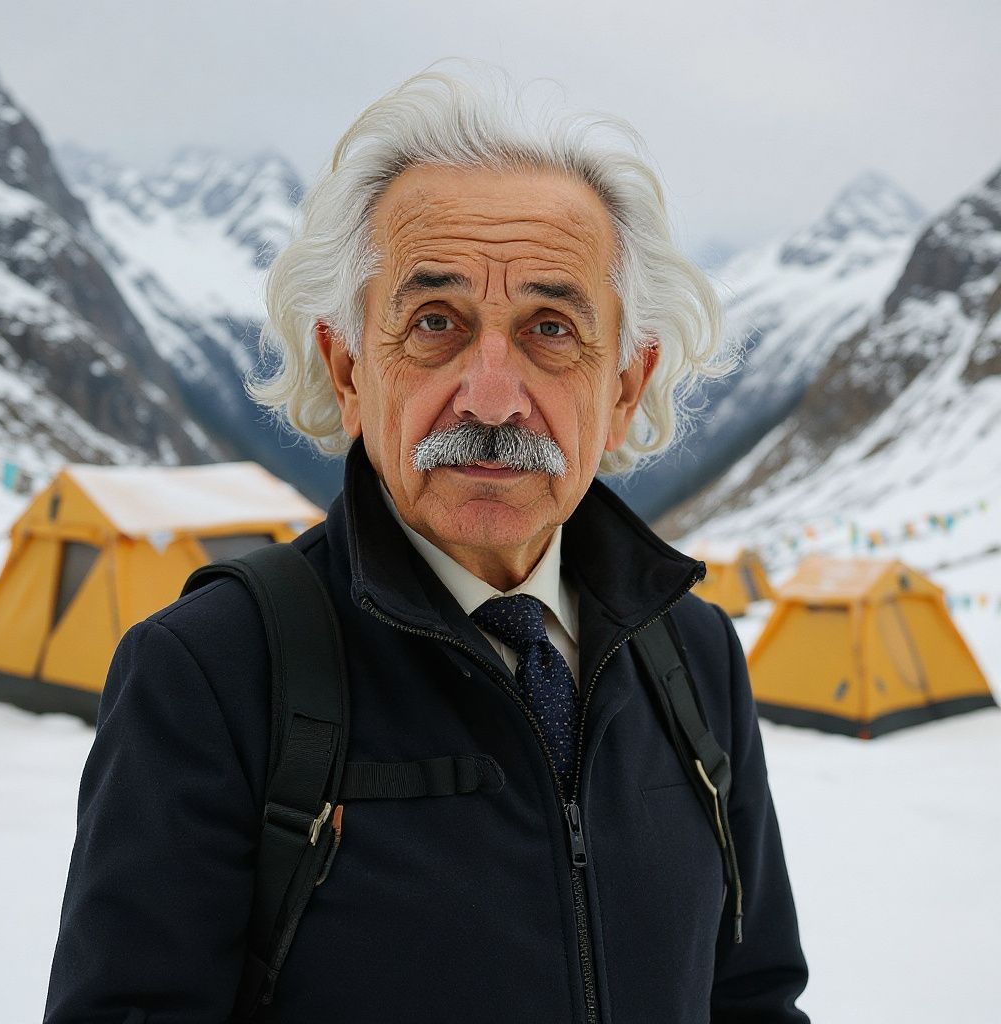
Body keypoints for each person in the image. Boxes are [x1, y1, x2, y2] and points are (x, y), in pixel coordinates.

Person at [45, 67, 809, 1022]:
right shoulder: (210, 674)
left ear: (624, 386)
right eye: (436, 323)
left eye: (551, 329)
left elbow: (754, 998)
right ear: (349, 368)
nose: (492, 396)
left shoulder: (698, 660)